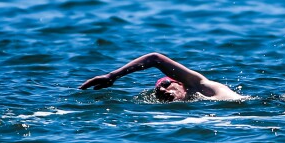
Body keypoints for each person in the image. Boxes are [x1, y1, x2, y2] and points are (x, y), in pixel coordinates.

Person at [79, 52, 244, 102]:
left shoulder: (202, 86)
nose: (162, 90)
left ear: (182, 83)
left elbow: (154, 59)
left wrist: (112, 76)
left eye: (166, 84)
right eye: (158, 91)